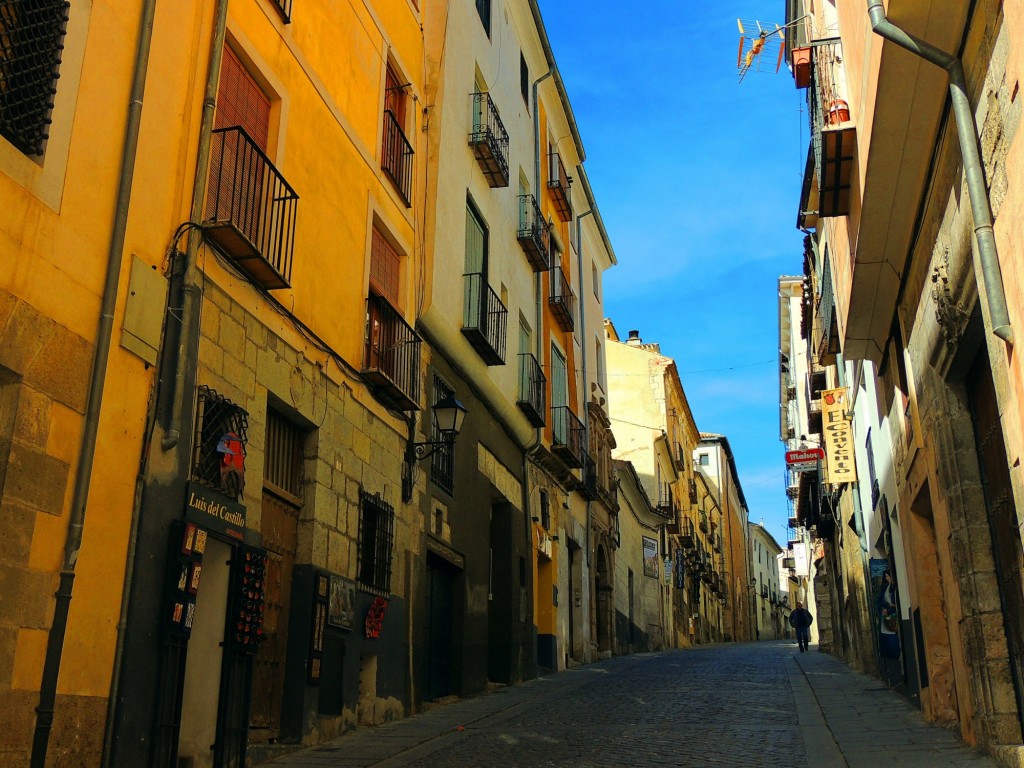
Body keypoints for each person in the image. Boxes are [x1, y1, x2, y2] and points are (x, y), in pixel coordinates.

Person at [878, 570, 901, 662]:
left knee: (892, 632)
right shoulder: (885, 588)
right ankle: (889, 655)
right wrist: (886, 607)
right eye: (886, 576)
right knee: (886, 633)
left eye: (888, 576)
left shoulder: (894, 588)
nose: (887, 578)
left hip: (893, 615)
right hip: (886, 616)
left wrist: (890, 608)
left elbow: (896, 603)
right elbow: (880, 601)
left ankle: (895, 654)